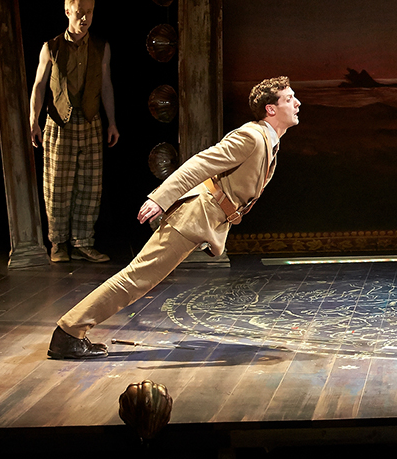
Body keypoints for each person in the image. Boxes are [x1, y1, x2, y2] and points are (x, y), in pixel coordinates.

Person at [47, 77, 300, 360]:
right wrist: (160, 198)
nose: (297, 103)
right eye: (289, 99)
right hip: (193, 216)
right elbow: (200, 163)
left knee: (139, 278)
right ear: (271, 109)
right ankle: (68, 333)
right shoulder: (251, 137)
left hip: (204, 218)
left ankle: (70, 332)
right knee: (137, 277)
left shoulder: (268, 141)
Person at [28, 0, 119, 264]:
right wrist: (33, 120)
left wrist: (112, 122)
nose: (85, 18)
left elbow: (105, 86)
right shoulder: (51, 47)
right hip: (59, 122)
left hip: (90, 120)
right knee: (57, 185)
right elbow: (39, 86)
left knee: (90, 186)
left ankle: (83, 242)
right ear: (68, 12)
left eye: (89, 12)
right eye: (80, 13)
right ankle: (58, 243)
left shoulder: (101, 47)